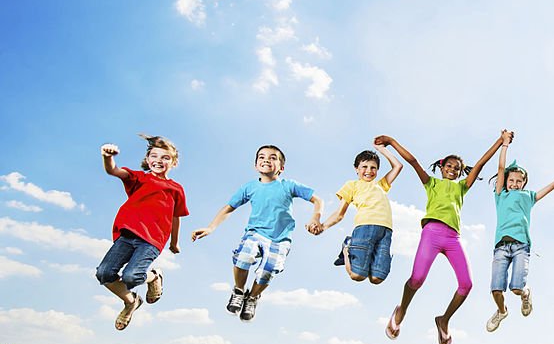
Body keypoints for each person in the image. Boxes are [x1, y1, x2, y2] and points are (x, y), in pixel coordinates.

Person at [377, 131, 510, 344]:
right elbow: (412, 161)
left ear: (459, 173)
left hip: (452, 238)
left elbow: (481, 163)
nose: (452, 170)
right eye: (449, 166)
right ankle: (401, 310)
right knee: (417, 279)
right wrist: (391, 142)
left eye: (456, 168)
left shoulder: (461, 187)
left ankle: (444, 320)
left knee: (466, 285)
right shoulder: (432, 183)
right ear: (441, 167)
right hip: (431, 233)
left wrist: (500, 141)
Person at [190, 145, 323, 322]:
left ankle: (252, 297)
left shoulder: (289, 185)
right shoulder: (250, 187)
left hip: (280, 239)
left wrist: (315, 218)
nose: (266, 159)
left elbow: (317, 199)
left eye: (273, 157)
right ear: (255, 165)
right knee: (243, 258)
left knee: (267, 271)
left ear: (281, 168)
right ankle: (238, 291)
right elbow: (229, 208)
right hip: (255, 233)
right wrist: (211, 227)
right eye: (261, 157)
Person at [485, 134, 554, 332]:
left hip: (521, 246)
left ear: (524, 183)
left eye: (519, 181)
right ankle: (502, 311)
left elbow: (552, 186)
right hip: (501, 247)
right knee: (496, 289)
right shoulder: (500, 195)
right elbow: (501, 168)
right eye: (511, 180)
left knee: (516, 288)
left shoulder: (529, 197)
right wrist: (504, 145)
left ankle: (526, 293)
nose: (514, 183)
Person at [96, 135, 188, 331]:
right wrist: (107, 156)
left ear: (173, 162)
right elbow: (113, 170)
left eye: (165, 158)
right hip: (127, 234)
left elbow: (175, 217)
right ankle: (131, 302)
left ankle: (154, 276)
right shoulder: (139, 178)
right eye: (154, 156)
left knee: (131, 277)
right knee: (104, 273)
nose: (159, 161)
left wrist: (174, 242)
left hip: (152, 240)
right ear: (147, 159)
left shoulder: (176, 189)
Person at [317, 143, 403, 284]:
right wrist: (323, 226)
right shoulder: (352, 185)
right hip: (365, 228)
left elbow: (398, 166)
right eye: (364, 167)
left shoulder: (381, 185)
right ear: (356, 169)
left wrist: (382, 150)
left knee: (377, 278)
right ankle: (347, 248)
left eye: (373, 167)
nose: (369, 170)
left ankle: (366, 259)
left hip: (385, 231)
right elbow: (339, 213)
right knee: (357, 276)